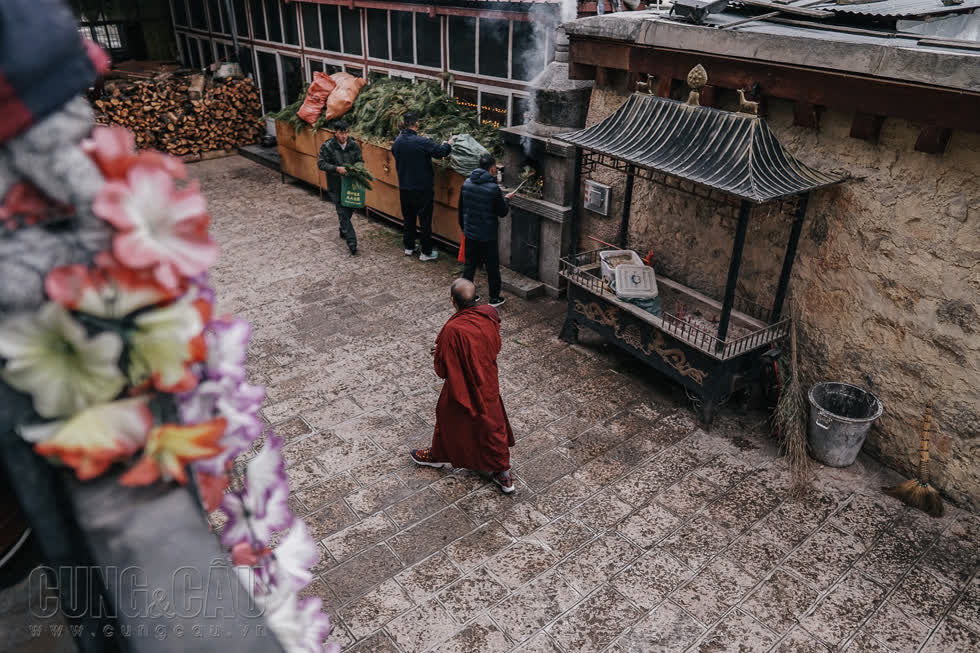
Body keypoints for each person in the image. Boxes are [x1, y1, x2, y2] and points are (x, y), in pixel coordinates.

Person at [410, 279, 516, 493]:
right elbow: (494, 345)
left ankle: (441, 457)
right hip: (487, 379)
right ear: (475, 298)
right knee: (490, 424)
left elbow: (443, 370)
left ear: (452, 301)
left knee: (451, 416)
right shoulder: (488, 314)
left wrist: (439, 354)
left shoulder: (453, 328)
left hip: (464, 383)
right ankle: (500, 472)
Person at [391, 111, 452, 261]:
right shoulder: (422, 142)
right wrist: (448, 143)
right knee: (424, 221)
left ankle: (409, 247)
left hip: (405, 187)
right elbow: (440, 152)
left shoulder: (398, 141)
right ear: (416, 124)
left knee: (409, 218)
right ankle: (426, 252)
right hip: (422, 188)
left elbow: (395, 153)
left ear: (405, 123)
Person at [459, 153, 513, 308]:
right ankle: (494, 298)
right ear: (491, 169)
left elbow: (461, 209)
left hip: (470, 232)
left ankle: (466, 295)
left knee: (470, 265)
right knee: (492, 267)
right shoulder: (493, 188)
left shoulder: (467, 183)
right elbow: (502, 212)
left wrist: (465, 228)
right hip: (487, 235)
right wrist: (507, 199)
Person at [316, 120, 362, 255]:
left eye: (346, 133)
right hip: (336, 185)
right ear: (335, 132)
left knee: (350, 209)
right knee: (342, 212)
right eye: (341, 133)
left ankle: (343, 229)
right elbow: (321, 163)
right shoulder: (328, 146)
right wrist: (336, 169)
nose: (344, 136)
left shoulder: (353, 145)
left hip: (350, 184)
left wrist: (357, 168)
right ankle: (352, 243)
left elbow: (360, 160)